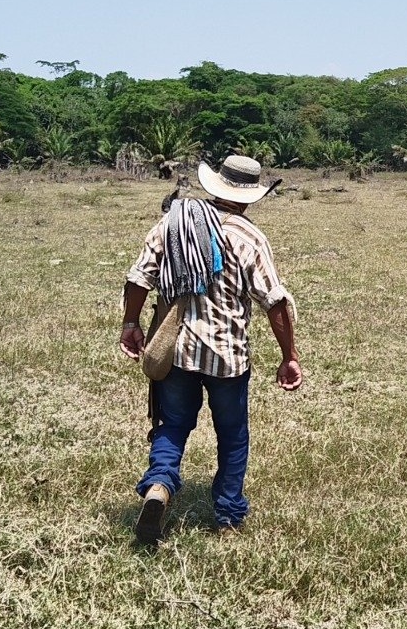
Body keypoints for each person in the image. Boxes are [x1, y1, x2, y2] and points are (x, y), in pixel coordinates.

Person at [119, 155, 302, 542]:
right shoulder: (249, 237)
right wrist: (289, 356)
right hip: (228, 356)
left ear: (214, 185)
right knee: (233, 434)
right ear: (250, 197)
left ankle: (160, 485)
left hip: (177, 350)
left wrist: (131, 324)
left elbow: (139, 278)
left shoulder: (173, 223)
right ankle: (228, 516)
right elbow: (276, 303)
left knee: (173, 424)